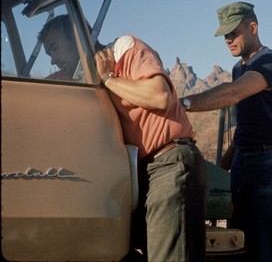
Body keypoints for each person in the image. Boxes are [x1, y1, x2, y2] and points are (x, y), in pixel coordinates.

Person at [39, 14, 209, 261]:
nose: (54, 60)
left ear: (77, 36)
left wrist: (109, 78)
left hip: (170, 163)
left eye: (55, 48)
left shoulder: (124, 49)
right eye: (49, 55)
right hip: (139, 175)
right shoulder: (79, 75)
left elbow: (160, 96)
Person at [180, 1, 272, 262]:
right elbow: (246, 126)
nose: (228, 40)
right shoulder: (239, 68)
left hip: (271, 164)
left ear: (253, 27)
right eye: (225, 35)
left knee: (271, 247)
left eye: (234, 33)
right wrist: (222, 169)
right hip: (243, 162)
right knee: (240, 242)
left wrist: (182, 104)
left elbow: (233, 93)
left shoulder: (271, 61)